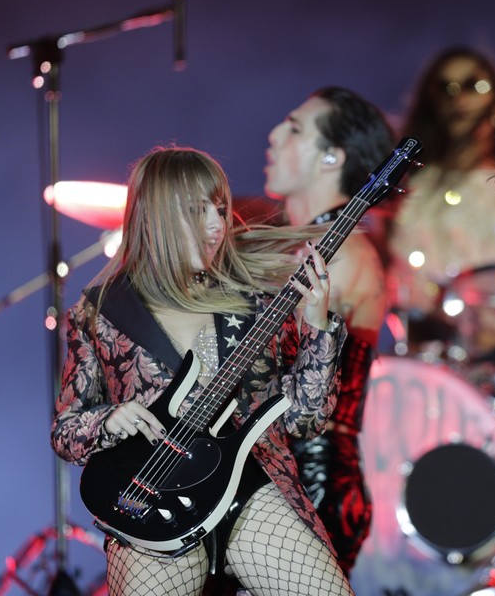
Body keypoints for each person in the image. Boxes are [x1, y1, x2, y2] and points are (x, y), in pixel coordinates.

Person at [51, 147, 354, 596]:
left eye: (220, 209)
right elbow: (64, 431)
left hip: (251, 486)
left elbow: (306, 418)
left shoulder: (259, 301)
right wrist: (108, 419)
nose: (217, 225)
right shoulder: (101, 313)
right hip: (154, 496)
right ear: (156, 216)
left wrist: (317, 326)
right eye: (197, 211)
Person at [264, 86, 394, 576]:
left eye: (295, 128)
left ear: (332, 157)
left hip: (310, 478)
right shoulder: (303, 244)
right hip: (277, 470)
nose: (274, 136)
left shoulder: (346, 251)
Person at [384, 46, 495, 357]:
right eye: (446, 88)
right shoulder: (405, 187)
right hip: (422, 359)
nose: (459, 99)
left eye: (476, 85)